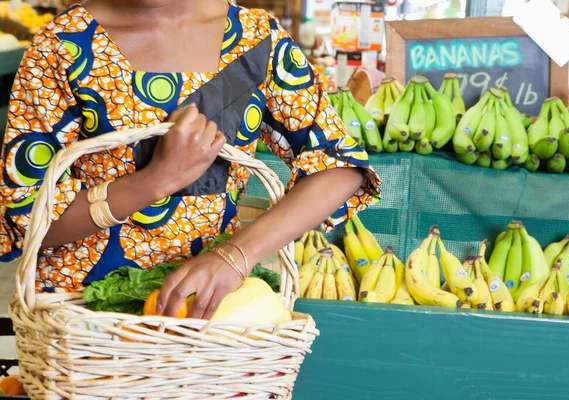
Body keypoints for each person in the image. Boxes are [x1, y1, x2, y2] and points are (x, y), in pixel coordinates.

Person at [0, 0, 381, 319]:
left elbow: (339, 163)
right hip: (85, 317)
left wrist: (235, 256)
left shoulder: (256, 39)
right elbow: (23, 219)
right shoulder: (63, 45)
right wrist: (155, 180)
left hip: (213, 314)